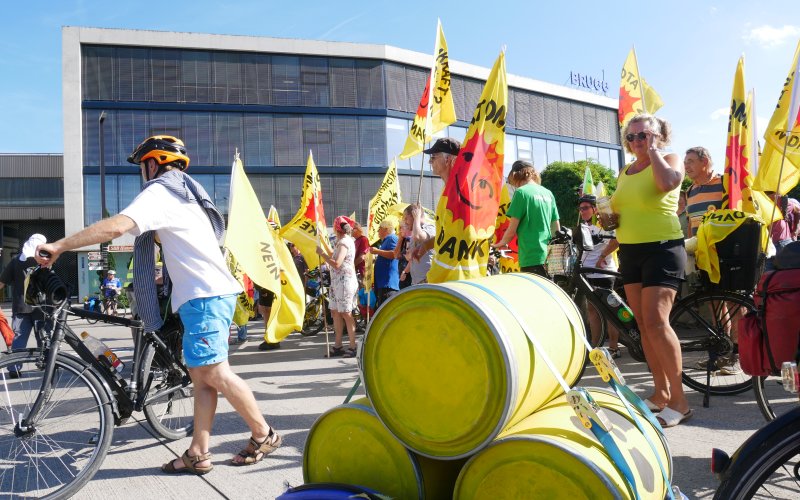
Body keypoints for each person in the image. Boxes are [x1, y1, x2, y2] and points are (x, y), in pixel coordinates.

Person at [35, 135, 281, 474]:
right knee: (202, 378)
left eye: (142, 167)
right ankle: (198, 452)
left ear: (153, 164)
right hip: (203, 296)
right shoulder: (185, 193)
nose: (142, 174)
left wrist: (60, 245)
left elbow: (117, 226)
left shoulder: (161, 191)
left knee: (214, 372)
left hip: (206, 295)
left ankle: (263, 433)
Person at [611, 114, 691, 428]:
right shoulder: (624, 171)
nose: (636, 143)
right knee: (643, 325)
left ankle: (680, 402)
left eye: (642, 136)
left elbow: (668, 183)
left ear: (657, 136)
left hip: (663, 248)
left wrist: (654, 150)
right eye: (630, 138)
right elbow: (621, 210)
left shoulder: (670, 159)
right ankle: (660, 393)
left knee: (657, 322)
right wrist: (610, 221)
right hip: (630, 251)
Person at [491, 160, 560, 278]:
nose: (515, 185)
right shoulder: (548, 193)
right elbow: (556, 228)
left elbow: (512, 229)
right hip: (550, 257)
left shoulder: (521, 192)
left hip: (530, 257)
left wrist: (499, 244)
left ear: (515, 175)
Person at [577, 195, 621, 357]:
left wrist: (602, 256)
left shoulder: (604, 223)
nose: (582, 211)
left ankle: (614, 347)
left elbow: (617, 240)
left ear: (595, 209)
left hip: (604, 273)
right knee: (592, 310)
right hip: (587, 272)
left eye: (585, 208)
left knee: (609, 311)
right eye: (580, 209)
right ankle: (596, 347)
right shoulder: (583, 225)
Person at [0, 234, 47, 377]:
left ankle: (14, 369)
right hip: (42, 306)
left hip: (21, 306)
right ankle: (45, 363)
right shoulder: (45, 260)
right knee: (43, 337)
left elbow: (2, 282)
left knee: (19, 338)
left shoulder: (15, 261)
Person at [316, 216, 359, 357]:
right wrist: (322, 240)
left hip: (344, 281)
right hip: (337, 282)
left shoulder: (345, 242)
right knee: (335, 312)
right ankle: (338, 345)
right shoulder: (341, 242)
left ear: (336, 228)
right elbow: (332, 254)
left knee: (346, 313)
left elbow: (336, 263)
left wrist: (321, 254)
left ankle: (353, 346)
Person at [684, 147, 723, 237]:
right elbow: (690, 223)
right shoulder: (689, 191)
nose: (686, 167)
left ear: (705, 161)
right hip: (698, 250)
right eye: (685, 163)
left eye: (690, 162)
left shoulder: (725, 183)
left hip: (722, 249)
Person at [368, 219, 399, 307]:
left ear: (386, 229)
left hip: (388, 284)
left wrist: (378, 251)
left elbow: (394, 254)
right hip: (384, 283)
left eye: (379, 229)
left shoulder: (391, 238)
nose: (378, 231)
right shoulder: (386, 240)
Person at [402, 204, 436, 285]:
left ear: (415, 215)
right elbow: (411, 259)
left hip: (427, 281)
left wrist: (417, 218)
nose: (405, 222)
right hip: (416, 282)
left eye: (406, 218)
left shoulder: (430, 228)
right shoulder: (414, 233)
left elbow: (418, 236)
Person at [395, 222, 412, 289]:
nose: (399, 230)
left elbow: (410, 259)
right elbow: (396, 255)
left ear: (407, 228)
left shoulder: (410, 239)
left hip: (408, 275)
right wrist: (400, 239)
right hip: (403, 275)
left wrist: (405, 272)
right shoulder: (404, 240)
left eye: (401, 228)